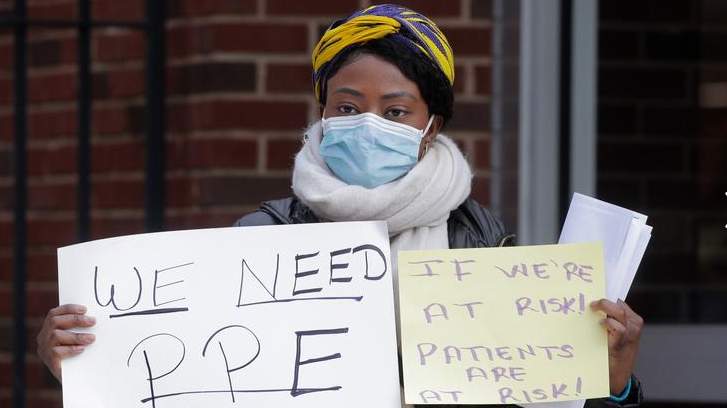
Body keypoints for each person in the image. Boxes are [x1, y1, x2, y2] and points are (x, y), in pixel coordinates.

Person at [36, 4, 643, 407]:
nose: (368, 124)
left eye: (396, 110)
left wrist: (613, 385)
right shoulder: (259, 240)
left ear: (431, 125)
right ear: (323, 112)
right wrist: (85, 369)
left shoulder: (485, 247)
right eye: (348, 107)